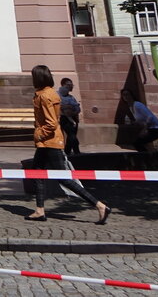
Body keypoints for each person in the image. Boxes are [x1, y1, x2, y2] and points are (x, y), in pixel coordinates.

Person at [28, 65, 110, 223]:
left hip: (50, 142)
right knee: (37, 173)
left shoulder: (44, 96)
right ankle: (39, 210)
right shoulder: (48, 93)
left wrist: (38, 135)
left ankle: (99, 205)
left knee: (64, 179)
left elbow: (51, 123)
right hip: (48, 143)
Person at [58, 77, 81, 156]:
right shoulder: (58, 95)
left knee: (71, 136)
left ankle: (67, 152)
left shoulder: (71, 97)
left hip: (74, 119)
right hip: (66, 119)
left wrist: (74, 111)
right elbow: (64, 108)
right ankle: (77, 152)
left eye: (71, 85)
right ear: (63, 85)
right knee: (72, 136)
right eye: (68, 85)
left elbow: (77, 108)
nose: (70, 87)